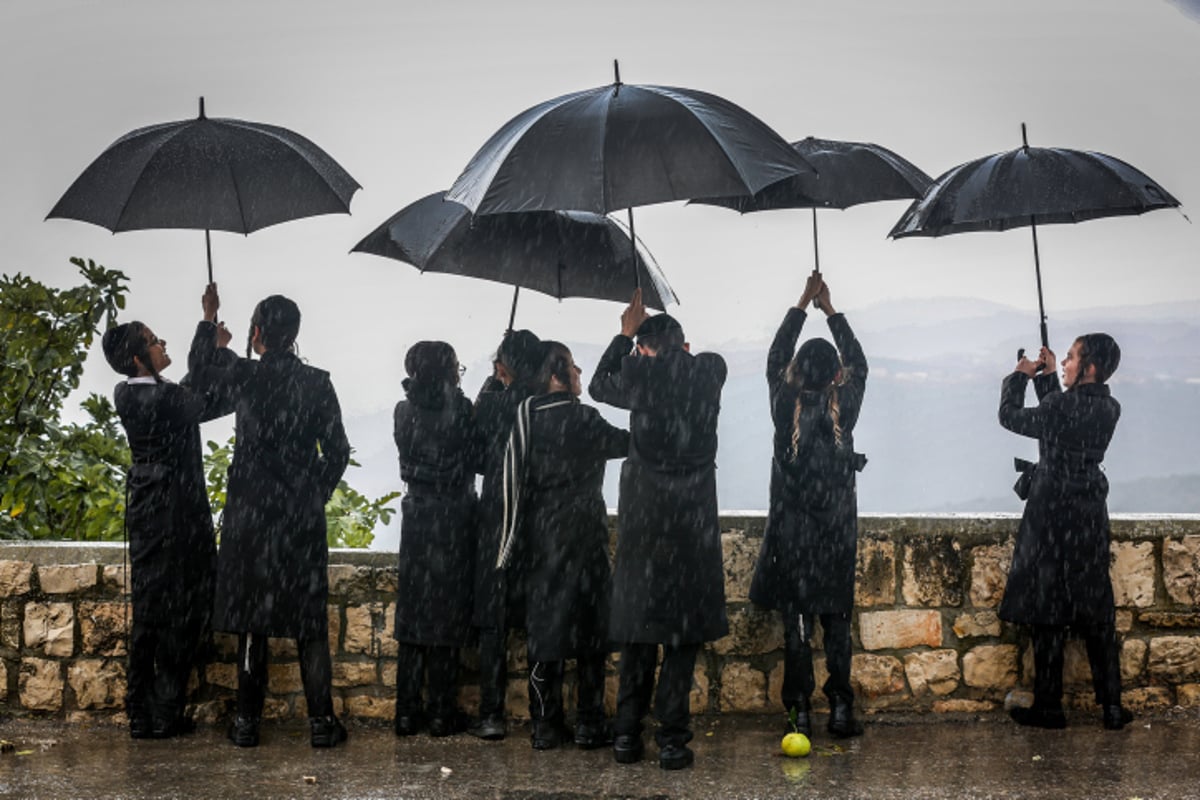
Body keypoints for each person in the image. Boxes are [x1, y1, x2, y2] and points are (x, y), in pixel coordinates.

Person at [189, 284, 351, 748]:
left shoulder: (243, 375)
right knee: (309, 621)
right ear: (294, 333)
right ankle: (322, 724)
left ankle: (245, 724)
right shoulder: (318, 382)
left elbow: (198, 376)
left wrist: (209, 322)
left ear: (257, 333)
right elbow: (337, 451)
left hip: (250, 519)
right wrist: (311, 495)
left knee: (251, 621)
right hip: (299, 519)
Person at [588, 289, 728, 771]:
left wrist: (624, 334)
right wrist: (650, 346)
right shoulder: (711, 371)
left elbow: (596, 385)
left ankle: (627, 736)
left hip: (646, 527)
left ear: (645, 351)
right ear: (684, 345)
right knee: (682, 637)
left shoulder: (638, 380)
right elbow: (682, 366)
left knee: (639, 633)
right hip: (692, 525)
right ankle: (672, 739)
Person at [748, 272, 868, 739]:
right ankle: (840, 708)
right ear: (837, 375)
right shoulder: (847, 405)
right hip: (837, 539)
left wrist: (802, 303)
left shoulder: (784, 405)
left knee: (797, 630)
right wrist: (831, 310)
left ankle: (798, 711)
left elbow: (775, 354)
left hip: (793, 542)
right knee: (837, 625)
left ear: (796, 372)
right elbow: (860, 361)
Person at [101, 314, 233, 739]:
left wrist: (208, 335)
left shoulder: (126, 393)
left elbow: (187, 392)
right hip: (176, 512)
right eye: (154, 342)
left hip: (145, 511)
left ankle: (139, 708)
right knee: (180, 613)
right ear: (140, 359)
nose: (162, 344)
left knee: (148, 612)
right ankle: (165, 710)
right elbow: (209, 398)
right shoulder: (167, 400)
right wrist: (211, 342)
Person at [498, 341, 629, 750]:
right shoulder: (587, 419)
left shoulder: (526, 417)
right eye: (573, 367)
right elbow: (628, 444)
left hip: (542, 536)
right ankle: (590, 721)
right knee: (592, 629)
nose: (578, 374)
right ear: (558, 375)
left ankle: (546, 724)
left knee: (545, 630)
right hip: (586, 532)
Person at [998, 334, 1129, 730]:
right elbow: (1061, 422)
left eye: (1072, 359)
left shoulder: (1059, 405)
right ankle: (1112, 706)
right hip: (1088, 513)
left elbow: (1013, 417)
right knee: (1096, 610)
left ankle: (1049, 706)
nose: (1067, 363)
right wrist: (1051, 377)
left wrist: (1021, 376)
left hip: (1052, 515)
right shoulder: (1111, 408)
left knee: (1048, 609)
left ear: (1089, 368)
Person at [392, 341, 478, 738]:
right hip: (455, 520)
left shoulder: (402, 411)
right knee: (446, 614)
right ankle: (442, 713)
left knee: (412, 615)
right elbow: (474, 458)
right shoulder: (461, 409)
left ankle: (406, 713)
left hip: (417, 518)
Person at [469, 328, 544, 740]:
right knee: (535, 619)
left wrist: (489, 381)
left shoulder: (495, 407)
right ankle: (541, 715)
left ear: (503, 367)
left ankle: (491, 714)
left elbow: (477, 453)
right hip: (534, 520)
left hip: (496, 520)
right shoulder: (540, 406)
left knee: (493, 623)